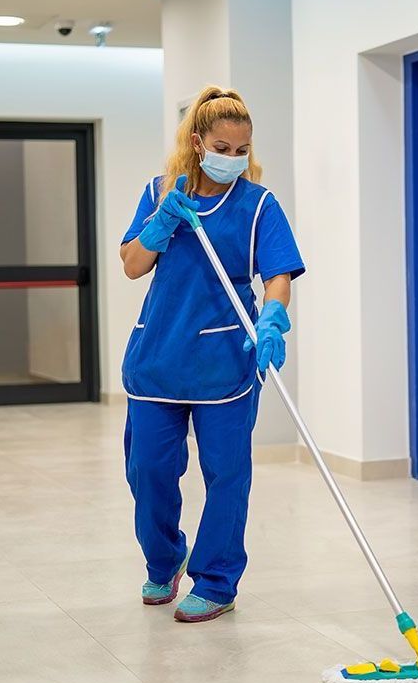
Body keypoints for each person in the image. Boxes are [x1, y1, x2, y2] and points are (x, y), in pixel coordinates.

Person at [119, 85, 304, 622]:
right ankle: (164, 557)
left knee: (227, 474)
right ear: (197, 143)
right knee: (147, 470)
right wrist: (160, 225)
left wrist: (272, 316)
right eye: (222, 147)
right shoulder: (159, 192)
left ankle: (218, 580)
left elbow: (278, 274)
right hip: (157, 356)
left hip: (226, 357)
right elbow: (132, 265)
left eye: (241, 149)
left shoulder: (257, 203)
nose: (233, 158)